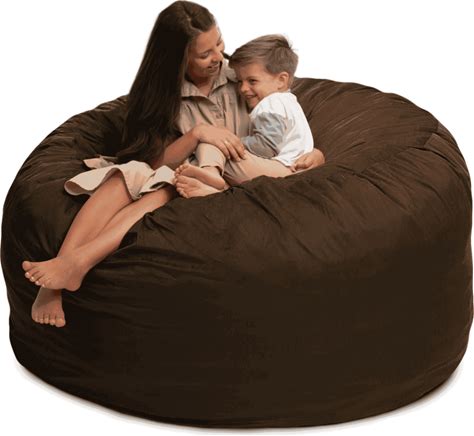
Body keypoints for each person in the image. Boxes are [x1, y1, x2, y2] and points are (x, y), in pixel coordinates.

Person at [21, 0, 325, 328]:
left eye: (219, 43)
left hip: (216, 173)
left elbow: (285, 120)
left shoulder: (241, 76)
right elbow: (149, 160)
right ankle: (59, 276)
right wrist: (196, 134)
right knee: (127, 175)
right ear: (180, 58)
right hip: (172, 166)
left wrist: (316, 154)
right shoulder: (160, 94)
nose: (218, 57)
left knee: (162, 189)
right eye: (205, 53)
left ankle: (77, 263)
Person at [173, 33, 318, 197]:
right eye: (240, 81)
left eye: (252, 81)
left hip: (281, 170)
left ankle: (210, 175)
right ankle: (215, 189)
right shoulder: (289, 101)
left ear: (281, 80)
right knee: (218, 142)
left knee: (215, 142)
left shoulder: (270, 104)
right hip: (293, 170)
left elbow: (266, 147)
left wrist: (232, 141)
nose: (243, 88)